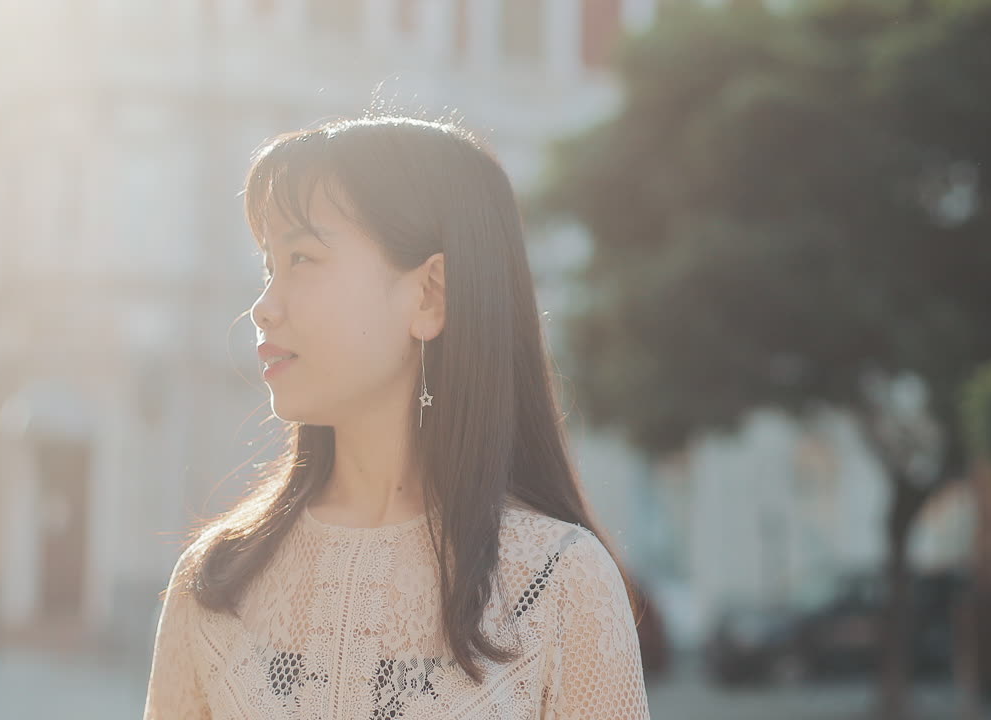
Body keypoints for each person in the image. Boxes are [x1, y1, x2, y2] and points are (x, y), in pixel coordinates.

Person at [142, 114, 653, 719]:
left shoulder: (561, 585)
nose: (264, 306)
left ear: (430, 293)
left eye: (301, 257)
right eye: (268, 266)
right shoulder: (214, 583)